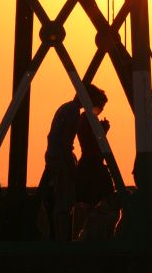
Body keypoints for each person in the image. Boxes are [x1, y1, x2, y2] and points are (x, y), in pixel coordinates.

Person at [41, 83, 108, 241]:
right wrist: (70, 167)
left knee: (60, 201)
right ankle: (62, 239)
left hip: (55, 157)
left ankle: (60, 237)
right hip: (60, 159)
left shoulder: (68, 109)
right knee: (63, 203)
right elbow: (65, 143)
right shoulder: (73, 113)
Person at [75, 86, 113, 207]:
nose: (101, 109)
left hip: (92, 164)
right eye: (100, 105)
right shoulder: (86, 119)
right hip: (91, 166)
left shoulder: (87, 118)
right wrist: (103, 130)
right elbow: (92, 144)